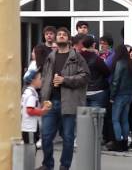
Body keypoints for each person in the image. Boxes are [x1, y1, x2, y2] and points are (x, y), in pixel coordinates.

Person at [37, 27, 90, 170]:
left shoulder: (77, 57)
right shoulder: (50, 57)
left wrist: (64, 80)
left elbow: (85, 77)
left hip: (69, 102)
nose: (61, 36)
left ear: (68, 39)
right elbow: (44, 78)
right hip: (50, 102)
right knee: (46, 137)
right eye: (59, 34)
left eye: (64, 35)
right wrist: (43, 97)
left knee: (68, 138)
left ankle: (64, 166)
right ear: (55, 39)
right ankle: (47, 164)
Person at [108, 45, 132, 152]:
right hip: (129, 94)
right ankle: (124, 143)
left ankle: (118, 143)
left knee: (115, 119)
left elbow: (116, 81)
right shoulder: (130, 64)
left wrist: (112, 96)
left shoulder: (119, 63)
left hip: (119, 95)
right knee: (124, 120)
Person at [79, 35, 110, 108]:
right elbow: (107, 73)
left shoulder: (77, 57)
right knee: (96, 118)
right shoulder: (97, 59)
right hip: (97, 91)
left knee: (84, 118)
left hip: (82, 91)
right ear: (93, 45)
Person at [21, 70, 51, 145]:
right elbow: (30, 110)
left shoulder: (28, 91)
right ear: (33, 80)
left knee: (31, 148)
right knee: (30, 150)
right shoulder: (31, 94)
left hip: (27, 127)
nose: (41, 80)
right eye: (40, 78)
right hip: (29, 127)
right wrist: (42, 111)